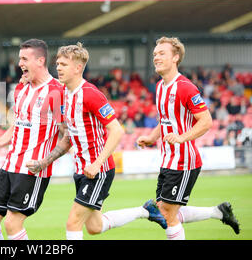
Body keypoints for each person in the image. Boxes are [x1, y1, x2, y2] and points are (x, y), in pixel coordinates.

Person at [26, 43, 167, 240]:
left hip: (97, 171)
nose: (58, 67)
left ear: (78, 68)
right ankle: (145, 211)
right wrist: (44, 162)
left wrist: (97, 163)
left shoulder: (91, 94)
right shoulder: (65, 95)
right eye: (57, 63)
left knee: (73, 222)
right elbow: (68, 138)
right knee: (94, 226)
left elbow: (117, 130)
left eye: (64, 64)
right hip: (81, 170)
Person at [136, 36, 240, 240]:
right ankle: (218, 212)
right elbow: (166, 121)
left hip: (183, 161)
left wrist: (182, 138)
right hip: (168, 160)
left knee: (166, 213)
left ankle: (217, 213)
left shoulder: (185, 87)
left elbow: (206, 121)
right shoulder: (160, 87)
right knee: (165, 211)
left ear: (175, 58)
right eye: (155, 54)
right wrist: (151, 137)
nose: (156, 57)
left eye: (161, 53)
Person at [0, 39, 64, 240]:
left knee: (12, 223)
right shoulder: (21, 89)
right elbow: (18, 124)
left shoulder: (56, 91)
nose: (20, 64)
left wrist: (45, 162)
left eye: (24, 59)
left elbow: (66, 134)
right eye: (20, 58)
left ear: (40, 61)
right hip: (10, 164)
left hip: (32, 168)